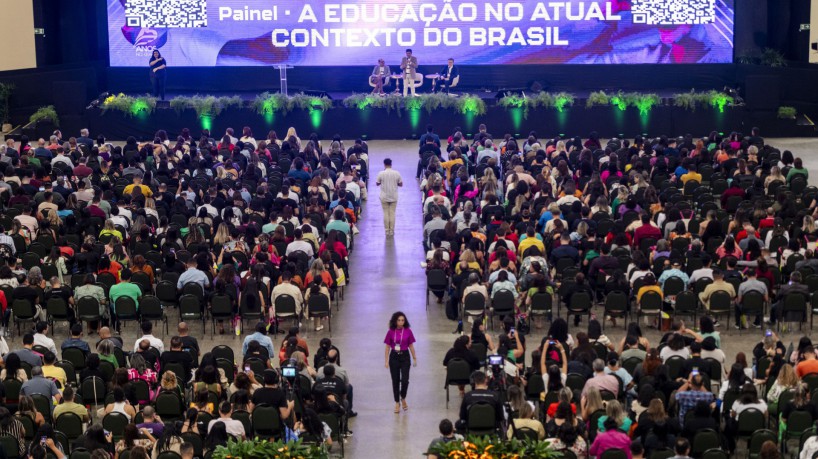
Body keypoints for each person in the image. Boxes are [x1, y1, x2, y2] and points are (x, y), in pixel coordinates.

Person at [384, 311, 417, 413]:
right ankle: (397, 402)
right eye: (399, 320)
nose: (401, 322)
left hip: (405, 357)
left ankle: (403, 397)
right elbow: (387, 347)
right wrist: (386, 360)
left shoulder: (408, 331)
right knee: (395, 380)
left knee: (405, 380)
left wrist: (414, 357)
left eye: (403, 320)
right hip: (394, 357)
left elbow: (411, 345)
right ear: (395, 321)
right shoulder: (390, 331)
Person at [377, 158, 403, 237]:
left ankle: (386, 231)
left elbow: (377, 183)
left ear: (384, 164)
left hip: (384, 196)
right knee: (392, 213)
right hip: (394, 196)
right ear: (391, 164)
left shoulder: (381, 173)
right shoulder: (396, 173)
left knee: (385, 213)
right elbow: (401, 184)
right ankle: (392, 230)